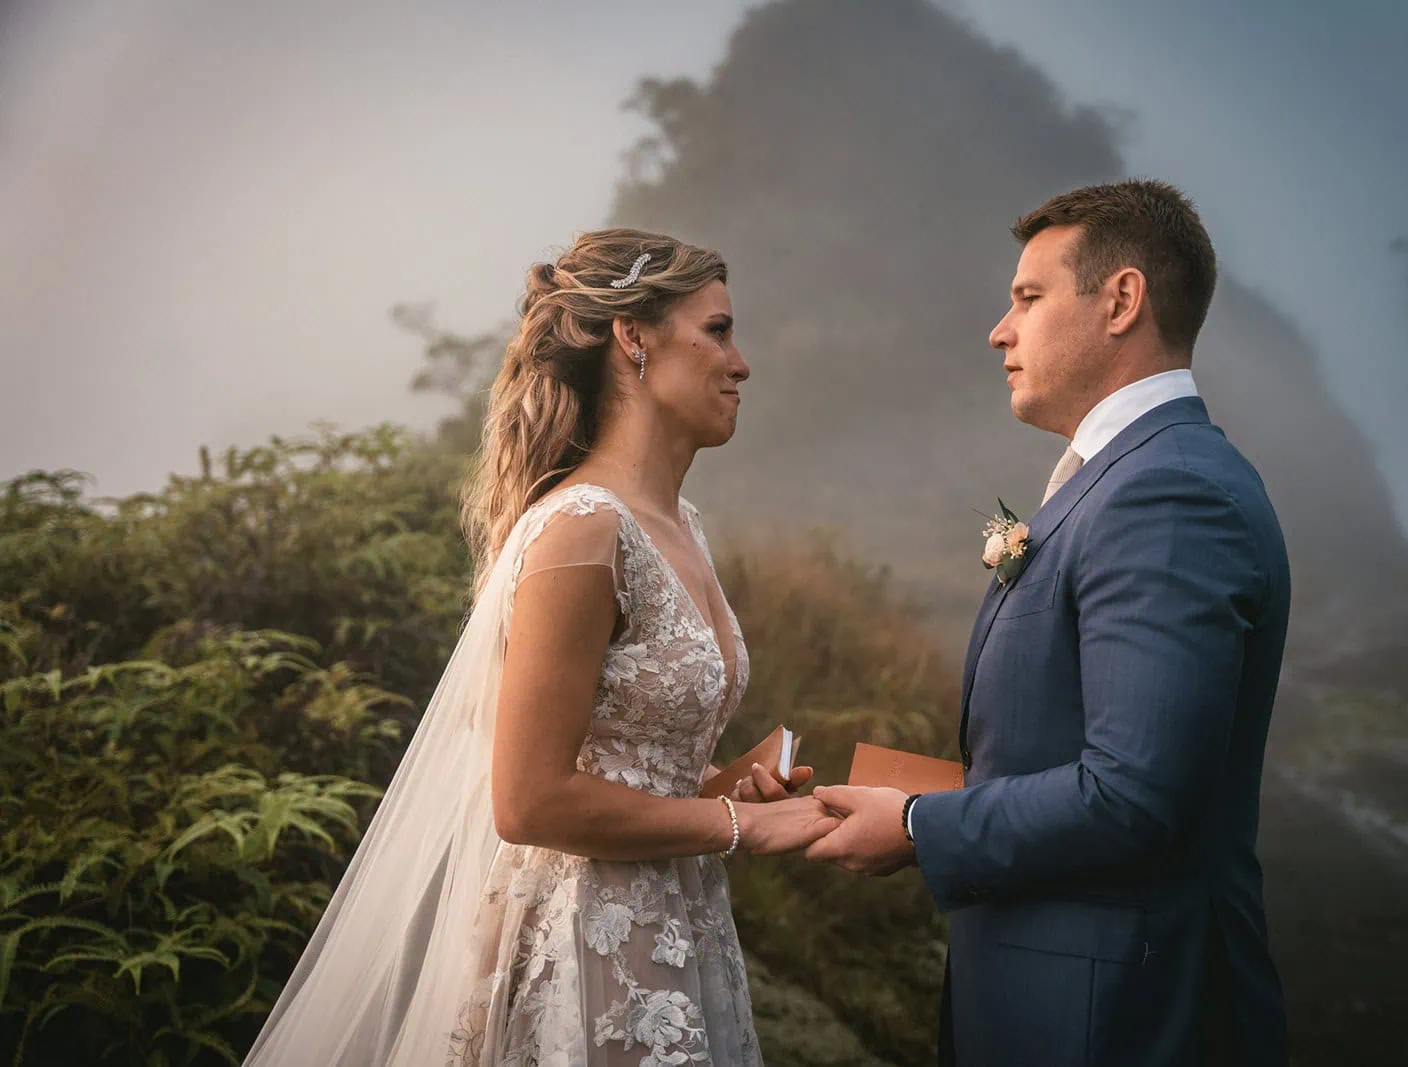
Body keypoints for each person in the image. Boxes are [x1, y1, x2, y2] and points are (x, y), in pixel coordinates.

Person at [244, 228, 836, 1067]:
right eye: (718, 331)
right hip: (588, 950)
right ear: (633, 336)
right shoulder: (582, 529)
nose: (741, 363)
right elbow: (528, 803)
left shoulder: (680, 526)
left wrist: (736, 786)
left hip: (682, 929)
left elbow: (630, 776)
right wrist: (740, 824)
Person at [806, 181, 1293, 1065]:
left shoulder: (1167, 493)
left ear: (1122, 300)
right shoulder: (1120, 479)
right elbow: (1064, 746)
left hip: (1118, 1019)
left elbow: (1134, 795)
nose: (1001, 329)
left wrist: (917, 825)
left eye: (1028, 297)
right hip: (1056, 1001)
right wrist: (885, 799)